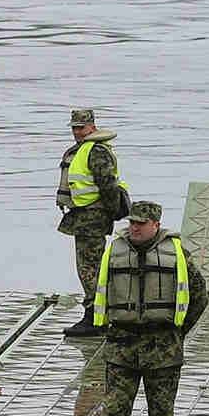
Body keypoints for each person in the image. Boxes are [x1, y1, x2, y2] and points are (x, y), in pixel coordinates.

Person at [91, 200, 209, 416]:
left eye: (141, 224)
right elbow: (101, 290)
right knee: (114, 412)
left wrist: (177, 331)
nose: (135, 228)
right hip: (121, 346)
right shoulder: (114, 251)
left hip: (162, 349)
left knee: (161, 415)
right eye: (132, 222)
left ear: (156, 225)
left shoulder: (177, 255)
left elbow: (199, 295)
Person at [57, 108, 128, 337]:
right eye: (75, 128)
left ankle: (95, 318)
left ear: (92, 127)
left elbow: (108, 186)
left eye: (82, 128)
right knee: (89, 267)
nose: (77, 132)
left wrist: (113, 211)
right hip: (84, 217)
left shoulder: (95, 151)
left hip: (92, 218)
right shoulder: (84, 149)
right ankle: (99, 315)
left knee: (90, 268)